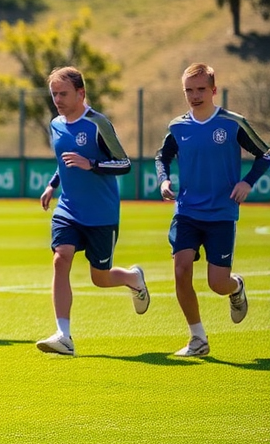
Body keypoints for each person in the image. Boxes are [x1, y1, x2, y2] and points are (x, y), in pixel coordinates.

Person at [156, 63, 270, 357]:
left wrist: (247, 182)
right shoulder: (178, 126)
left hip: (221, 214)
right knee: (181, 270)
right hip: (187, 212)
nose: (194, 95)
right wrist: (164, 179)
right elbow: (162, 156)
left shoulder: (233, 123)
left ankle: (235, 287)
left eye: (201, 89)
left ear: (214, 90)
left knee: (217, 283)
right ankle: (198, 339)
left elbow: (265, 153)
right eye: (189, 90)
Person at [36, 66, 149, 356]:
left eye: (63, 93)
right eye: (54, 94)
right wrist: (52, 185)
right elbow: (64, 162)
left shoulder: (99, 124)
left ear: (81, 93)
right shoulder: (56, 124)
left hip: (101, 214)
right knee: (61, 260)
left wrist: (93, 165)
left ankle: (132, 278)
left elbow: (124, 164)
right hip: (68, 209)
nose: (57, 99)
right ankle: (64, 335)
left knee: (100, 277)